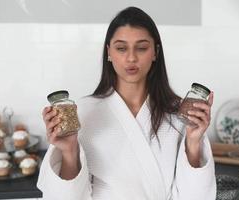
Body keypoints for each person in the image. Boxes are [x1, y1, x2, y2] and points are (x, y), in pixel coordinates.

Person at [37, 6, 216, 200]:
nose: (131, 58)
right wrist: (69, 150)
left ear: (155, 52)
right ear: (109, 53)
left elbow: (195, 195)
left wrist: (193, 140)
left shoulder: (179, 114)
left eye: (141, 48)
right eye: (121, 48)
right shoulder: (84, 113)